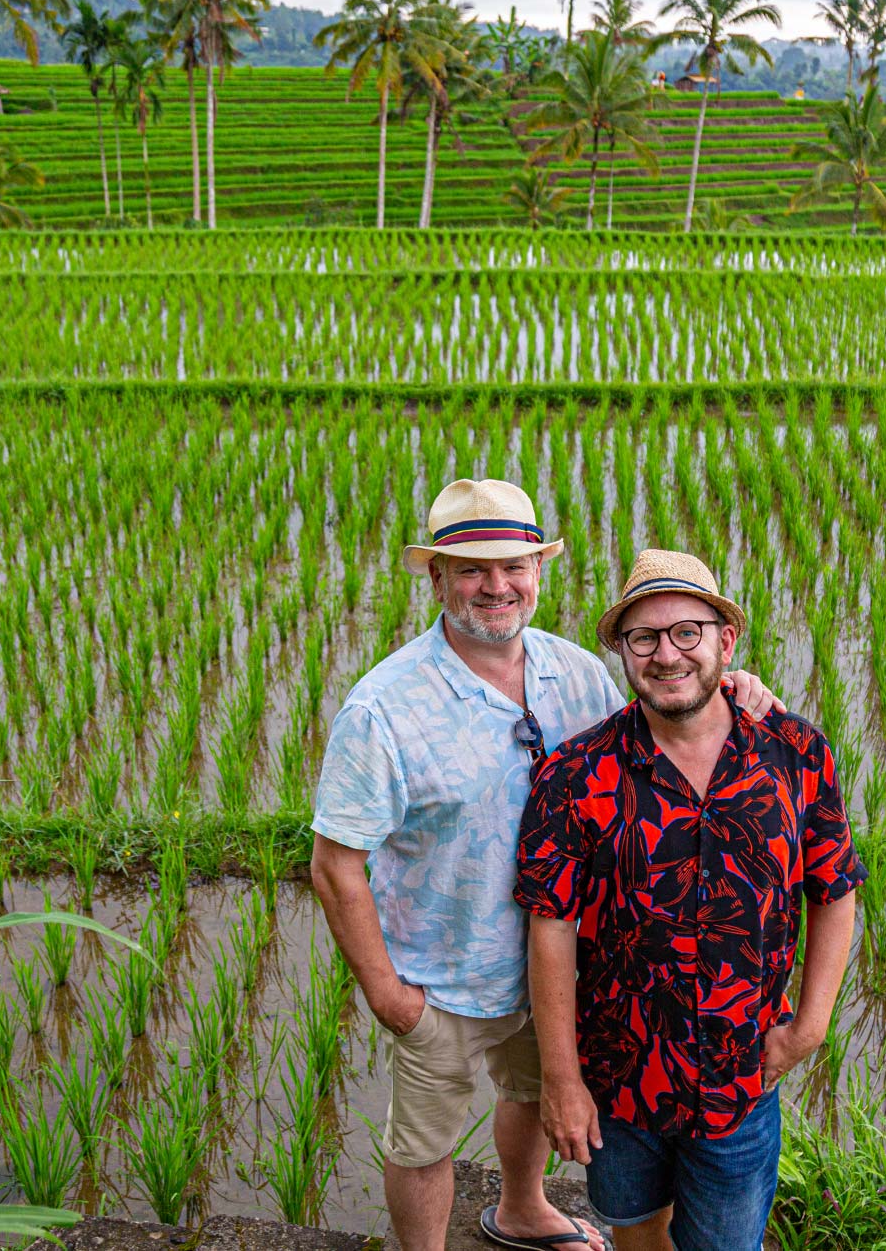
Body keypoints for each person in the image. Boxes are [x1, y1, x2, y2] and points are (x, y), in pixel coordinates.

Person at [310, 484, 783, 1251]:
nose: (496, 585)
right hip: (443, 976)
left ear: (539, 570)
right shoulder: (384, 708)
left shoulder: (578, 673)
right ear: (437, 579)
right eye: (471, 568)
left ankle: (522, 1206)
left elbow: (662, 718)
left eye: (514, 564)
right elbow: (336, 865)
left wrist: (732, 686)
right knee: (424, 1144)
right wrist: (391, 995)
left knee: (533, 1094)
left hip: (564, 967)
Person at [516, 549, 865, 1251]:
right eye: (643, 637)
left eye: (686, 632)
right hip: (621, 1078)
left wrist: (811, 1025)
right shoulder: (576, 773)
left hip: (742, 1076)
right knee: (634, 1222)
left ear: (724, 640)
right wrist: (562, 1079)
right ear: (622, 650)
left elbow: (835, 890)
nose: (666, 653)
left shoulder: (796, 752)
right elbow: (548, 926)